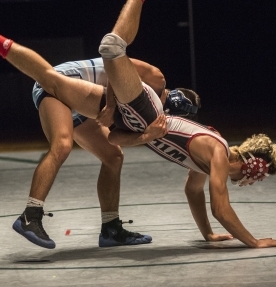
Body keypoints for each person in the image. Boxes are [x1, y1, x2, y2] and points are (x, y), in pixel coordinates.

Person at [0, 0, 276, 249]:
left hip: (130, 118)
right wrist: (254, 242)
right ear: (251, 167)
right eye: (254, 177)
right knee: (109, 49)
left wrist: (208, 234)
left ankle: (110, 228)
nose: (248, 183)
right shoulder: (208, 142)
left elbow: (191, 192)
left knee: (109, 150)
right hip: (121, 101)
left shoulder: (202, 158)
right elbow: (220, 206)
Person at [17, 56, 200, 249]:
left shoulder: (151, 114)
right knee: (62, 145)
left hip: (83, 101)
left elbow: (115, 138)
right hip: (57, 83)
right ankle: (31, 215)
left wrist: (146, 136)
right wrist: (111, 105)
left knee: (113, 156)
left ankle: (110, 228)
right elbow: (114, 63)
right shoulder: (156, 78)